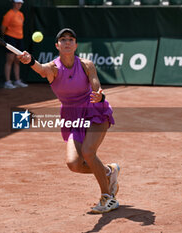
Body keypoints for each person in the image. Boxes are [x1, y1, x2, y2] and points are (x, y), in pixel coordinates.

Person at [17, 28, 120, 213]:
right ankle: (108, 172)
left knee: (89, 152)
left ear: (76, 45)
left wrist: (98, 95)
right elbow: (40, 69)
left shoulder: (87, 64)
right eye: (63, 39)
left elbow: (95, 83)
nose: (67, 42)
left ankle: (108, 198)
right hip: (72, 117)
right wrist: (30, 60)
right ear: (57, 45)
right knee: (74, 164)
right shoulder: (53, 68)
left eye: (71, 39)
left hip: (94, 110)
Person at [1, 0, 28, 89]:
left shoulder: (21, 14)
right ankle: (7, 82)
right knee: (10, 60)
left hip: (19, 39)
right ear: (13, 3)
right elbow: (3, 28)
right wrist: (6, 38)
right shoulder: (9, 14)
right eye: (17, 3)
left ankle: (17, 80)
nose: (19, 5)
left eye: (20, 3)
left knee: (18, 60)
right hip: (10, 38)